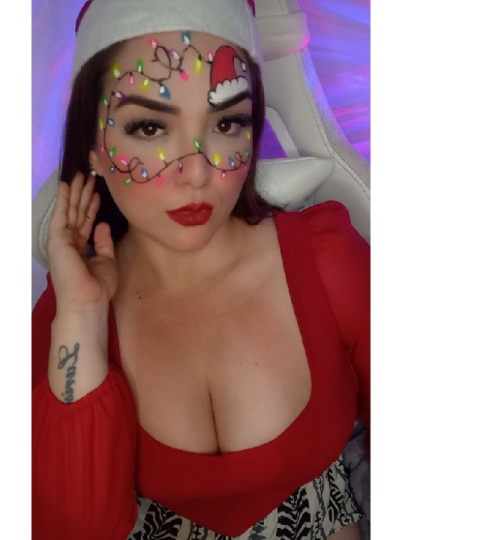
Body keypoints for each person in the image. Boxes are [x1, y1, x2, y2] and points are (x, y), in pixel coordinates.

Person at [32, 0, 370, 538]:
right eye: (149, 127)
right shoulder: (67, 310)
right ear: (93, 147)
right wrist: (82, 315)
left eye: (228, 122)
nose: (196, 172)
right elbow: (74, 528)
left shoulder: (327, 259)